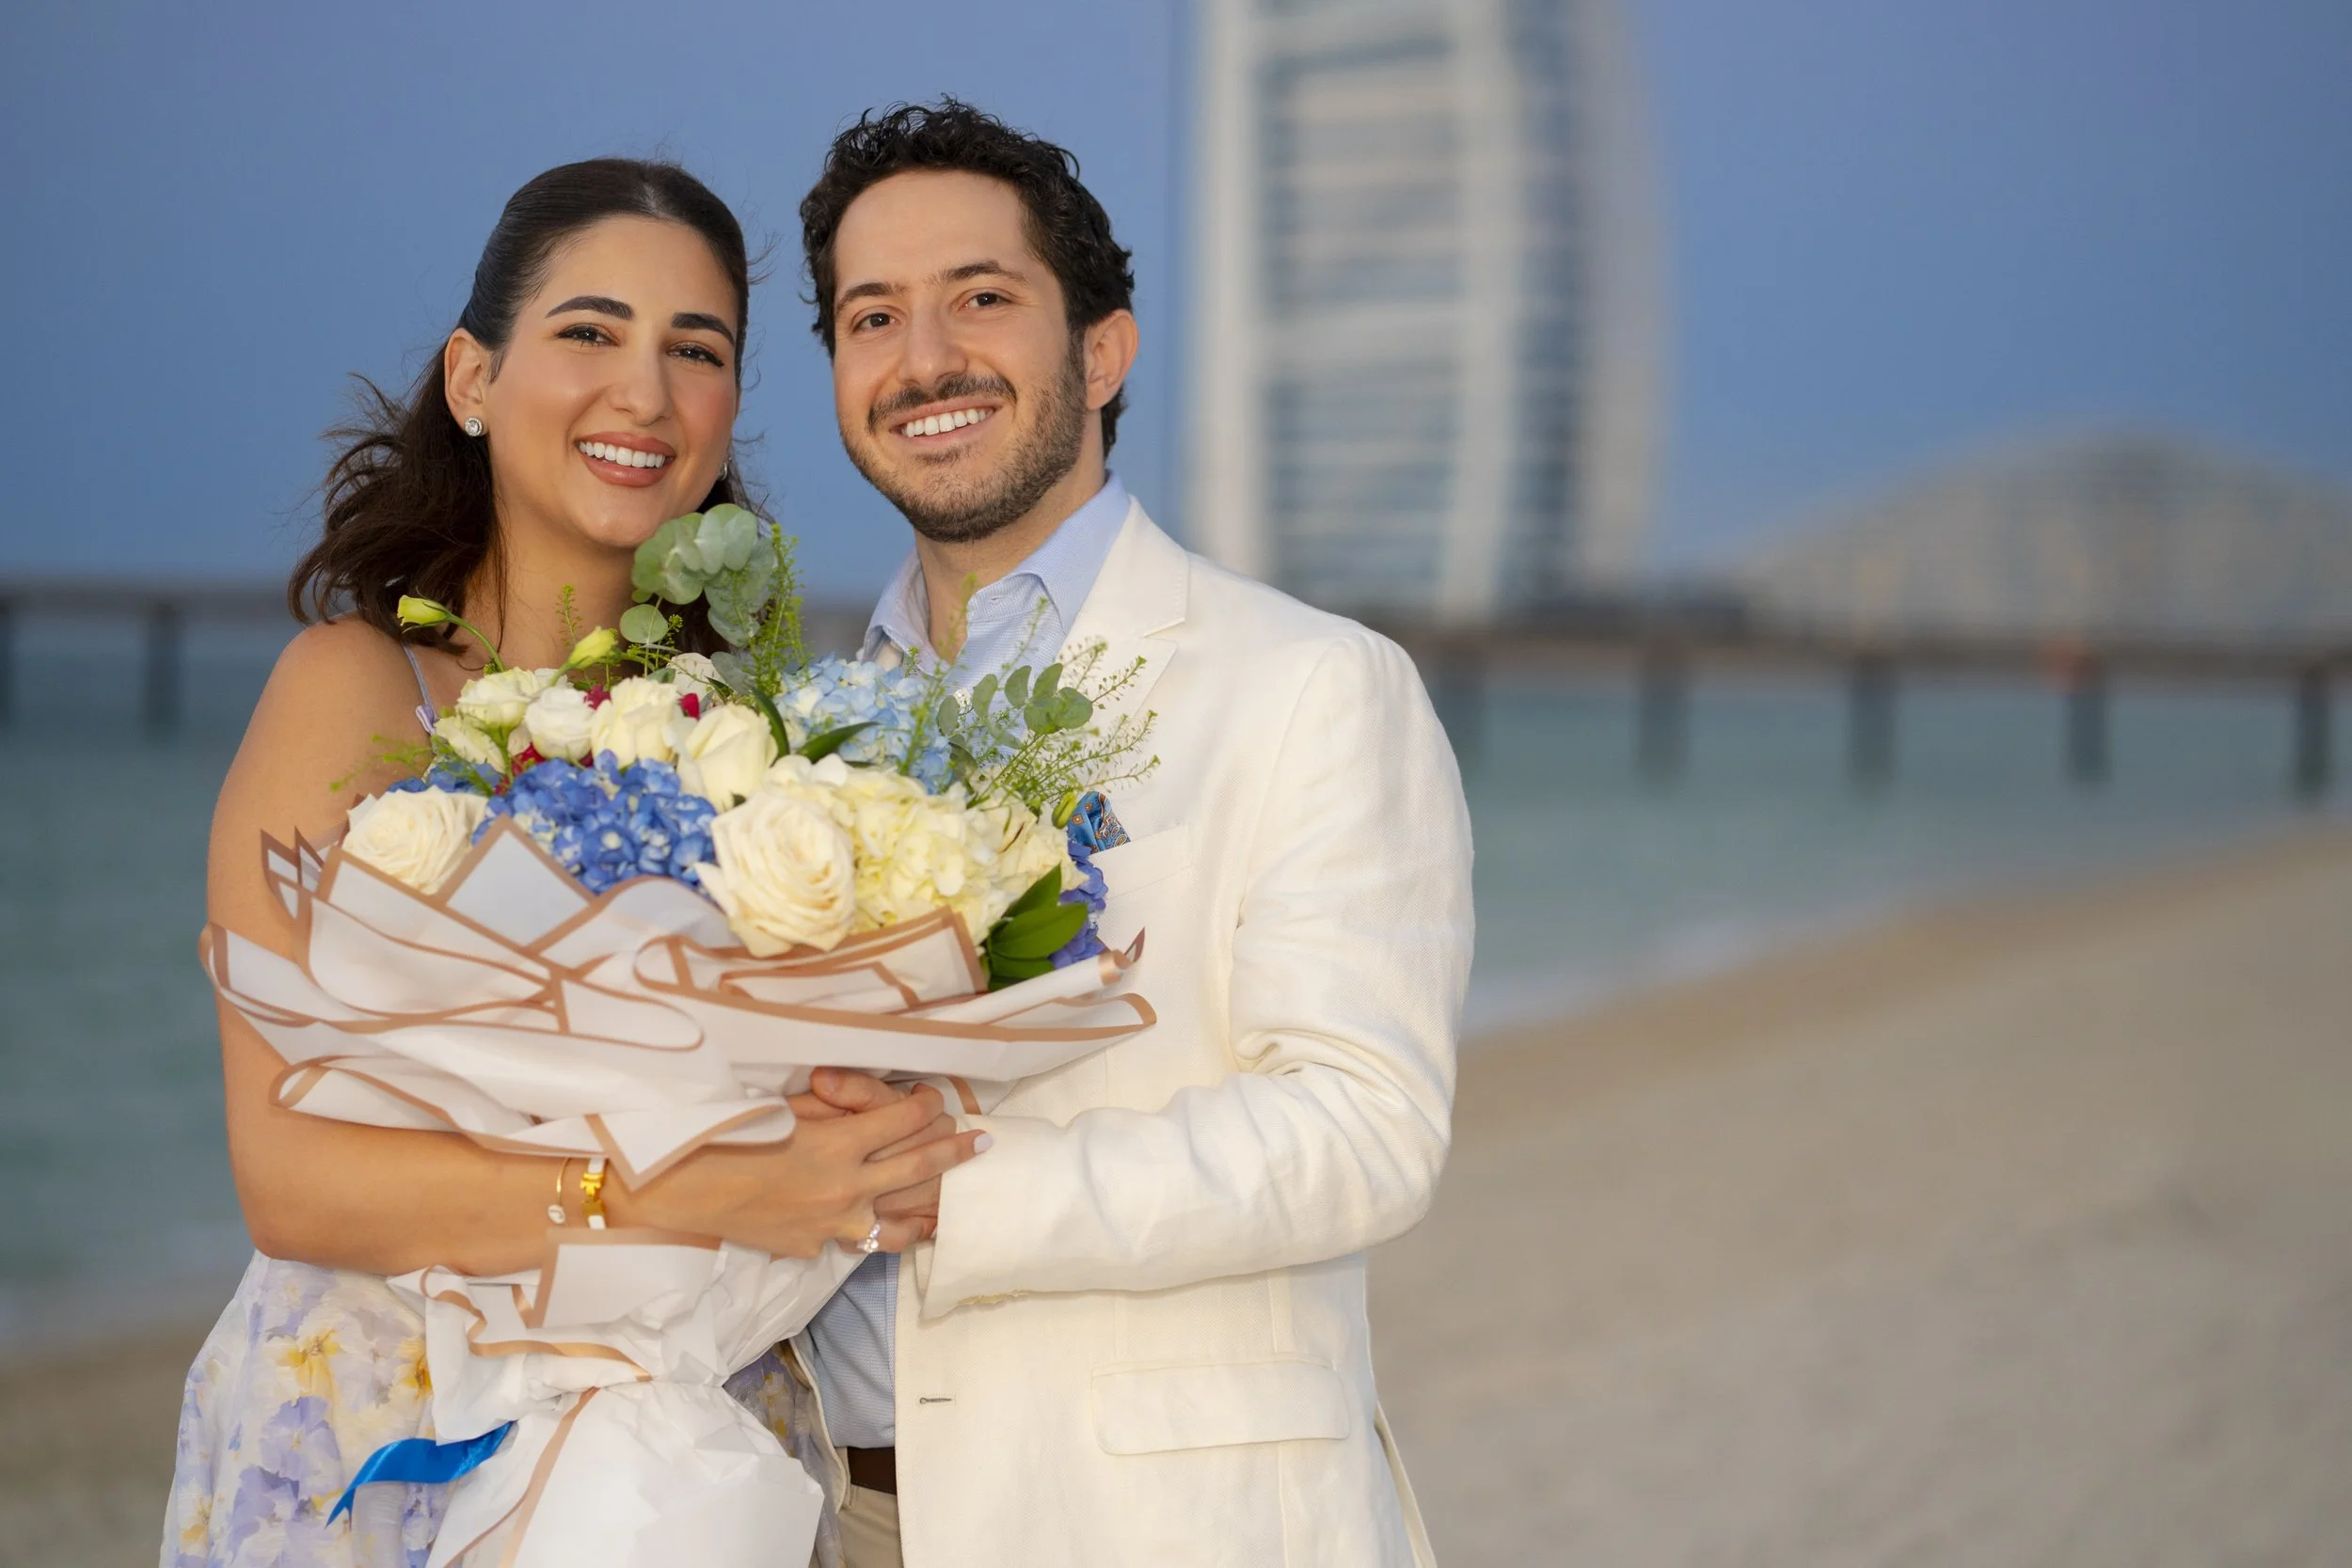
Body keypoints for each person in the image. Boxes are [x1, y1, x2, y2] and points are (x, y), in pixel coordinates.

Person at [163, 158, 983, 1568]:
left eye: (698, 351)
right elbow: (289, 1175)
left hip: (696, 1444)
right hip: (379, 1424)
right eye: (591, 333)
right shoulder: (353, 691)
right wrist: (690, 1195)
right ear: (473, 378)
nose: (646, 394)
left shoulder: (772, 749)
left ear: (729, 415)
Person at [787, 102, 1473, 1568]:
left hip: (1158, 1523)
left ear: (1103, 349)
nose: (924, 361)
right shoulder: (802, 737)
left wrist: (950, 1194)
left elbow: (1365, 1126)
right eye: (872, 317)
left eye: (981, 298)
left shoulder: (1308, 686)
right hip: (827, 1519)